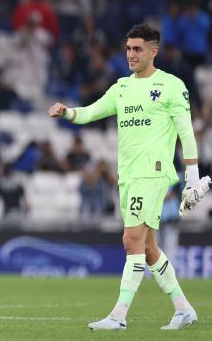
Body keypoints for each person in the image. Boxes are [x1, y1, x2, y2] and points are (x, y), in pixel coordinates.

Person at [48, 24, 207, 331]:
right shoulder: (122, 87)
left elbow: (186, 132)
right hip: (129, 175)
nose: (131, 55)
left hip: (153, 172)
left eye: (137, 49)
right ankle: (184, 309)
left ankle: (119, 315)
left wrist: (193, 178)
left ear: (153, 51)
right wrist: (67, 112)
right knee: (148, 249)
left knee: (130, 240)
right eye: (128, 49)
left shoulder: (172, 85)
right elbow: (91, 112)